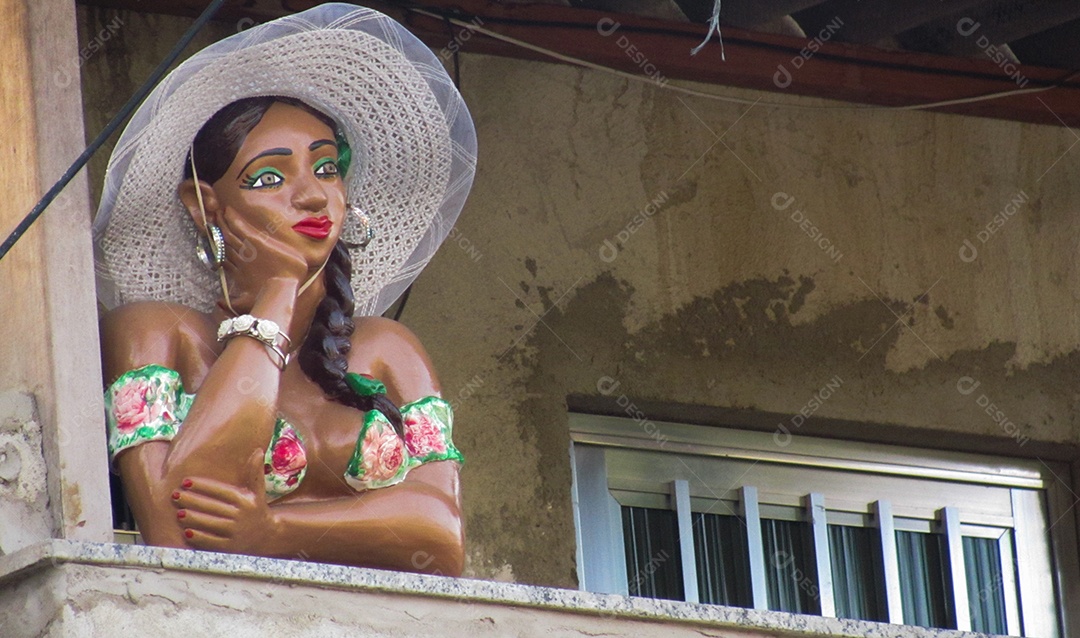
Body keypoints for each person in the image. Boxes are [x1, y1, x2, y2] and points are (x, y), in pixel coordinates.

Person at [91, 5, 476, 575]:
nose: (313, 197)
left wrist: (273, 529)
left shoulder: (389, 349)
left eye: (326, 169)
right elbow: (179, 534)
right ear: (204, 207)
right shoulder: (154, 333)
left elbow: (443, 535)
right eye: (269, 178)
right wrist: (276, 293)